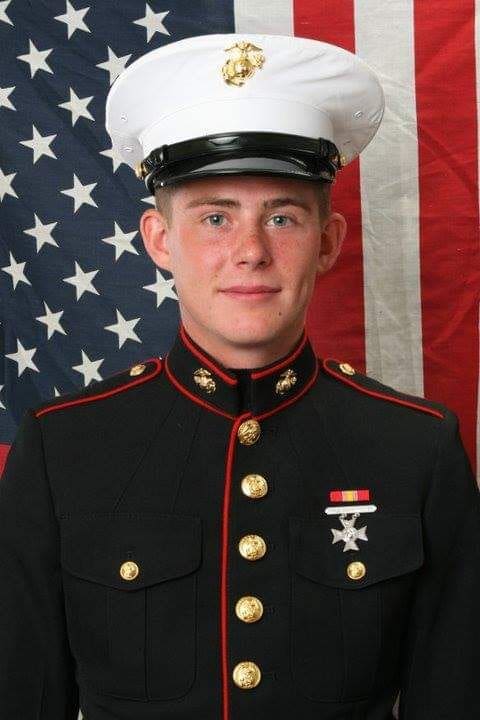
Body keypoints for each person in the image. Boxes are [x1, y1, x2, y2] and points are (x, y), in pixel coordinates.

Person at [0, 32, 479, 720]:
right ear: (160, 240)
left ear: (327, 241)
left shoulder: (416, 447)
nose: (250, 252)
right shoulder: (64, 447)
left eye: (282, 217)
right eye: (215, 217)